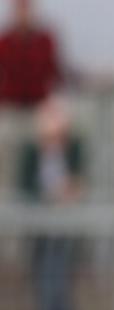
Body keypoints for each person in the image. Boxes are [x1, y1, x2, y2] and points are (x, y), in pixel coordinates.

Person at [16, 95, 85, 310]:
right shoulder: (31, 152)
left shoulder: (75, 148)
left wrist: (70, 192)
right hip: (42, 235)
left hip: (66, 234)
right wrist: (48, 197)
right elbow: (25, 190)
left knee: (61, 292)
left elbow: (80, 183)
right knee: (47, 292)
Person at [0, 0, 62, 189]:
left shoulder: (45, 40)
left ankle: (47, 193)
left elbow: (56, 74)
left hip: (39, 107)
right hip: (11, 109)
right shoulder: (5, 41)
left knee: (54, 134)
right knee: (4, 137)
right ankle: (8, 198)